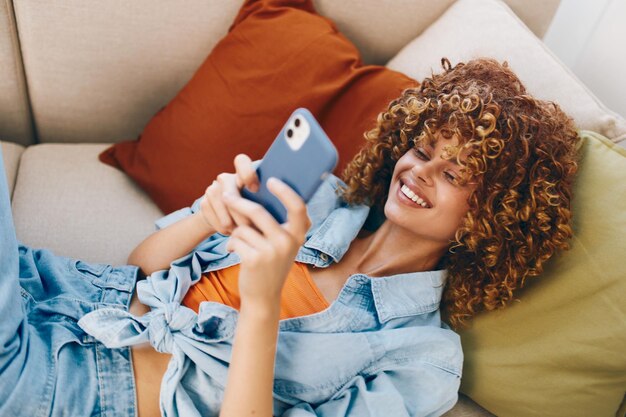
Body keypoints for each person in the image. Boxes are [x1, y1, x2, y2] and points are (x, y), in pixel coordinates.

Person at [0, 58, 579, 417]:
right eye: (422, 151)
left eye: (453, 175)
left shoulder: (422, 360)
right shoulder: (321, 199)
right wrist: (208, 213)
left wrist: (261, 299)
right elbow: (143, 268)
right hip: (56, 294)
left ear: (496, 217)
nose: (418, 173)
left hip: (68, 389)